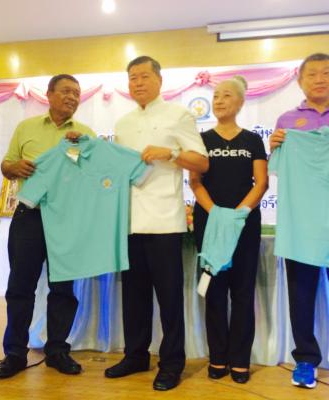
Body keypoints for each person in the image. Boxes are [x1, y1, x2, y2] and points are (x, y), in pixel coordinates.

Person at [104, 56, 208, 391]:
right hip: (129, 222)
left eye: (144, 76)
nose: (137, 83)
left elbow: (202, 162)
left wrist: (171, 154)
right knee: (133, 297)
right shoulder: (123, 123)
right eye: (132, 77)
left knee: (169, 298)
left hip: (164, 222)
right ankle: (135, 355)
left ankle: (172, 363)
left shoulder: (179, 115)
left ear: (159, 80)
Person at [0, 74, 96, 378]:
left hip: (66, 219)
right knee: (20, 287)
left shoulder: (85, 134)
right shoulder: (26, 127)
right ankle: (14, 354)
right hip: (29, 215)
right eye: (66, 91)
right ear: (48, 94)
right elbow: (6, 165)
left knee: (63, 288)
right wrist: (15, 167)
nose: (72, 97)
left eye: (76, 93)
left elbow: (92, 177)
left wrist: (81, 155)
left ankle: (57, 351)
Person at [190, 76, 268, 384]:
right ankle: (218, 358)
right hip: (210, 224)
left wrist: (238, 215)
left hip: (244, 225)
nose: (220, 101)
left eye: (226, 96)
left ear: (240, 102)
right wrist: (216, 214)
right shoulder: (201, 140)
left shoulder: (252, 140)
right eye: (216, 96)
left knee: (242, 292)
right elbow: (195, 182)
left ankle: (240, 361)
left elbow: (261, 183)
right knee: (214, 292)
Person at [269, 52, 329, 389]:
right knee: (302, 294)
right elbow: (276, 166)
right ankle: (305, 359)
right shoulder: (288, 120)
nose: (320, 79)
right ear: (301, 81)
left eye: (327, 73)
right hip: (302, 222)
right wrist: (275, 145)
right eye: (313, 74)